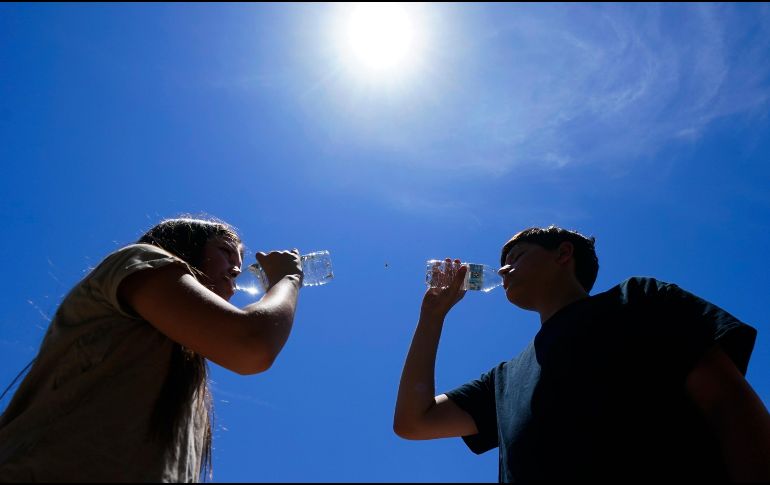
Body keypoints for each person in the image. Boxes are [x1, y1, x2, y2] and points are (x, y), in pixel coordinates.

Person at [394, 225, 770, 482]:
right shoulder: (504, 380)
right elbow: (414, 422)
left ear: (563, 254)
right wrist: (432, 316)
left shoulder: (637, 299)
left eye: (517, 256)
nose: (503, 270)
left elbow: (728, 403)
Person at [0, 217, 304, 482]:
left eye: (239, 261)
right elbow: (251, 344)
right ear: (186, 246)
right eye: (225, 252)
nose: (236, 269)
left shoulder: (184, 369)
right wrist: (287, 278)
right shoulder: (139, 260)